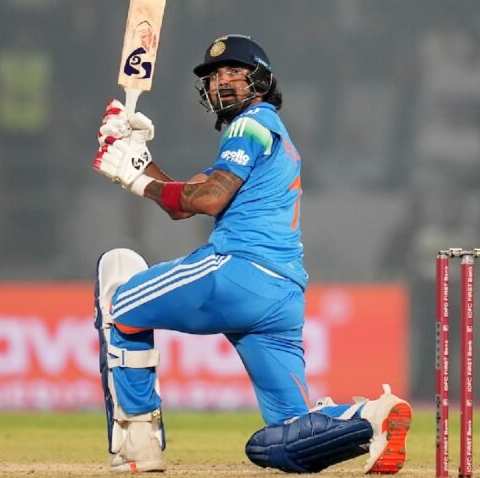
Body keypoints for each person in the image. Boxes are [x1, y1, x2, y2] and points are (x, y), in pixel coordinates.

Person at [91, 34, 412, 474]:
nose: (221, 81)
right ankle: (371, 416)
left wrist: (137, 181)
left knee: (120, 302)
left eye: (233, 72)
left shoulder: (250, 124)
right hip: (282, 297)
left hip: (237, 270)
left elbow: (208, 200)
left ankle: (138, 444)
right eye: (213, 75)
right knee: (286, 435)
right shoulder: (263, 135)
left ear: (260, 80)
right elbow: (184, 203)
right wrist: (137, 157)